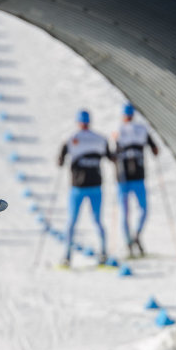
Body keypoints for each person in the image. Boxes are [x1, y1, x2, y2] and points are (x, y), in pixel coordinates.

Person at [57, 109, 113, 266]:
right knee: (98, 221)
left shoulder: (71, 139)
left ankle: (67, 257)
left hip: (78, 188)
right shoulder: (100, 138)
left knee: (71, 222)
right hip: (96, 186)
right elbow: (111, 157)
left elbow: (60, 161)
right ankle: (103, 253)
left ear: (78, 122)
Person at [112, 103, 159, 257]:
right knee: (133, 211)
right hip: (127, 179)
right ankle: (131, 241)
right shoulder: (136, 130)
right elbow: (155, 150)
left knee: (137, 211)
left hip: (132, 178)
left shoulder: (124, 130)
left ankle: (134, 238)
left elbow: (154, 148)